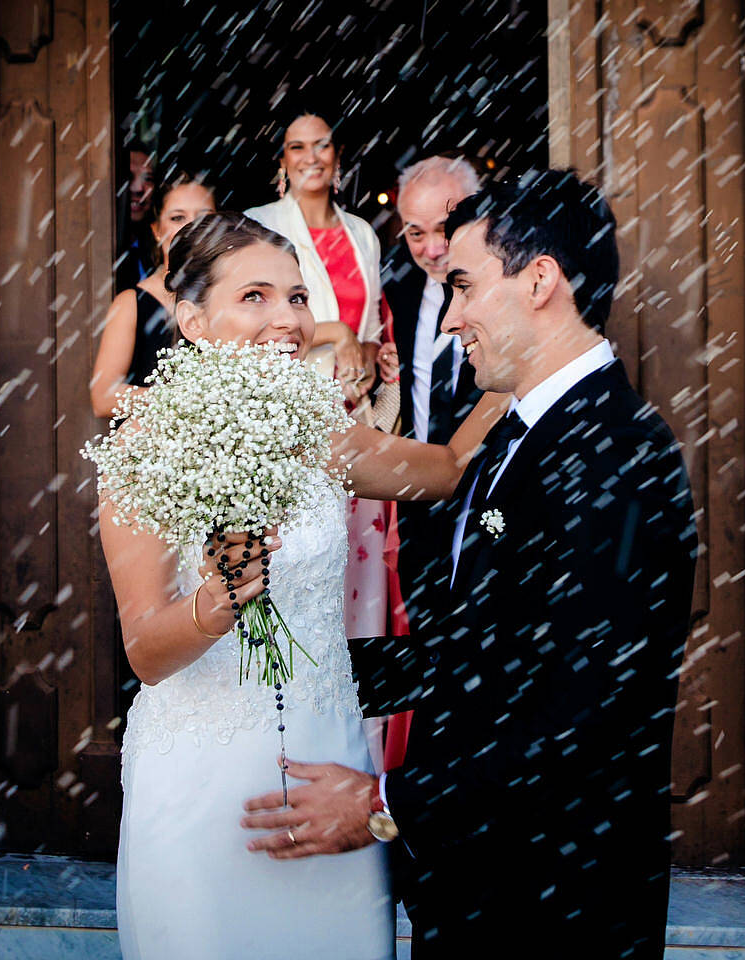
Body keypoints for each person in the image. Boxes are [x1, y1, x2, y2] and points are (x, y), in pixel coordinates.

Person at [241, 171, 699, 958]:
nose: (450, 317)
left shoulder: (617, 455)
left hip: (555, 906)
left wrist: (384, 804)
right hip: (480, 884)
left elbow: (585, 715)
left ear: (541, 281)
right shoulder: (520, 435)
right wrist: (303, 671)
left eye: (463, 286)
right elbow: (477, 650)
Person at [105, 212, 504, 959]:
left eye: (295, 297)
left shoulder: (317, 425)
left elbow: (447, 470)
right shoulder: (148, 444)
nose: (288, 318)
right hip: (204, 781)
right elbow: (145, 652)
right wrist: (214, 606)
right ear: (192, 321)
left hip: (330, 768)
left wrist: (529, 363)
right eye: (254, 296)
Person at [245, 111, 392, 646]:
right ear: (281, 161)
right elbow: (253, 323)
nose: (311, 157)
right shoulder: (259, 224)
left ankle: (357, 679)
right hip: (288, 420)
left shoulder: (363, 234)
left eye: (322, 145)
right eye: (297, 147)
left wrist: (368, 358)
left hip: (356, 416)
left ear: (338, 155)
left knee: (360, 564)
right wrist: (335, 333)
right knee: (302, 559)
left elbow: (370, 330)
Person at [381, 156, 483, 635]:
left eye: (444, 228)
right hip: (419, 500)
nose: (432, 248)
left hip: (485, 493)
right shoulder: (397, 284)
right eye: (415, 233)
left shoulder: (504, 291)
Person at [90, 171, 216, 418]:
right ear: (157, 230)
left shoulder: (236, 297)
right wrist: (187, 399)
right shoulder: (131, 303)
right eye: (178, 217)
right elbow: (103, 398)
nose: (191, 227)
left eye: (205, 218)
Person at [114, 142, 157, 293]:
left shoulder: (158, 250)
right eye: (128, 176)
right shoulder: (99, 250)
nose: (138, 188)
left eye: (147, 178)